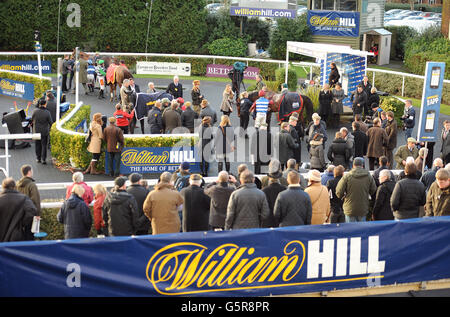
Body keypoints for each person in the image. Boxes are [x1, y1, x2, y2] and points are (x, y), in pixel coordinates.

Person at [336, 157, 377, 222]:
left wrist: (343, 196)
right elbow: (373, 190)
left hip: (349, 208)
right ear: (362, 165)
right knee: (361, 230)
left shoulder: (347, 176)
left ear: (353, 165)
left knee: (350, 230)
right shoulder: (368, 176)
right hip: (363, 208)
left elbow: (339, 192)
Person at [0, 178, 37, 242]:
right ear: (15, 187)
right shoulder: (23, 198)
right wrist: (22, 223)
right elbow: (32, 210)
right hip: (17, 237)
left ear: (3, 187)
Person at [31, 99, 53, 164]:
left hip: (36, 131)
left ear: (39, 104)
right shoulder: (47, 112)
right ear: (45, 104)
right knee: (44, 145)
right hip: (44, 132)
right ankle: (43, 159)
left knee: (37, 145)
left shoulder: (35, 111)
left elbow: (32, 119)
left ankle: (38, 158)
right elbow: (51, 122)